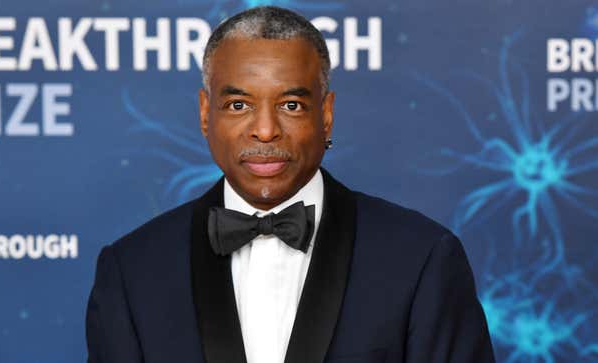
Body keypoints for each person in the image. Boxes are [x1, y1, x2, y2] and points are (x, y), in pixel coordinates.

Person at [85, 6, 495, 363]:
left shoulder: (421, 259)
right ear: (206, 113)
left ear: (327, 114)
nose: (265, 131)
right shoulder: (133, 270)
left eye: (291, 105)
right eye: (239, 105)